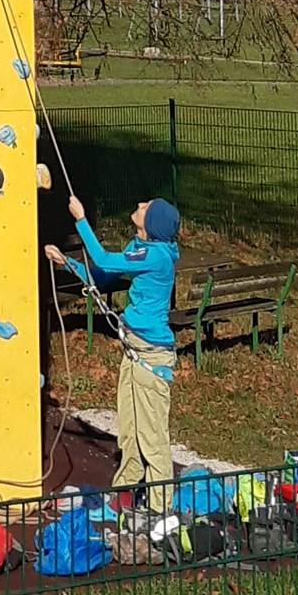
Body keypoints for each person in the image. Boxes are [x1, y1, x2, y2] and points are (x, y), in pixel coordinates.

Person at [46, 192, 182, 502]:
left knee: (152, 435)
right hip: (133, 352)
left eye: (145, 207)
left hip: (151, 356)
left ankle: (161, 507)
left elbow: (104, 258)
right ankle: (125, 491)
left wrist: (80, 220)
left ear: (153, 224)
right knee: (130, 429)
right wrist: (67, 263)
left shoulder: (158, 255)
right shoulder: (141, 248)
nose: (138, 204)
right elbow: (103, 275)